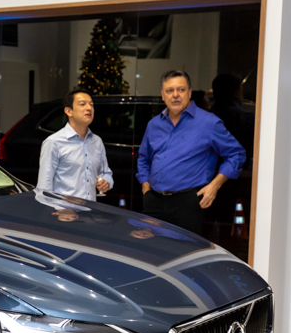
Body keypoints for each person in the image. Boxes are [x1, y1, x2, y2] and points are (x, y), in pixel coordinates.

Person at [136, 70, 246, 235]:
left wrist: (214, 186)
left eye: (181, 90)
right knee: (150, 248)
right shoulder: (154, 124)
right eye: (169, 91)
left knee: (184, 250)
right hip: (154, 202)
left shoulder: (208, 123)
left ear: (189, 92)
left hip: (188, 203)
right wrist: (145, 187)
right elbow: (144, 158)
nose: (175, 95)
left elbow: (236, 154)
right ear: (163, 95)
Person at [36, 87, 113, 201]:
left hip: (90, 209)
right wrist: (54, 209)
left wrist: (107, 182)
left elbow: (105, 173)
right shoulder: (54, 142)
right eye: (82, 104)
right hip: (63, 210)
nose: (89, 108)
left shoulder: (97, 141)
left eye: (91, 105)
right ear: (68, 111)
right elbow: (44, 187)